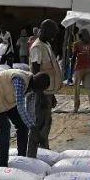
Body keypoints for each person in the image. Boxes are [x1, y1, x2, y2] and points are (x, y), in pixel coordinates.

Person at [0, 66, 51, 166]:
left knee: (22, 126)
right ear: (36, 85)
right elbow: (21, 106)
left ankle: (21, 158)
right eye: (39, 90)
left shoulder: (31, 85)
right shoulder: (20, 81)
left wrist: (32, 126)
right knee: (5, 127)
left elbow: (29, 109)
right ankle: (2, 163)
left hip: (7, 98)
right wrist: (33, 128)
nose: (38, 93)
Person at [27, 19, 63, 155]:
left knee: (46, 121)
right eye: (52, 33)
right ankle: (33, 153)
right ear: (45, 30)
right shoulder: (37, 47)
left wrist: (52, 93)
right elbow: (36, 72)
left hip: (47, 92)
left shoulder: (46, 44)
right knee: (38, 123)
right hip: (40, 93)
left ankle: (43, 150)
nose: (53, 36)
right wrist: (41, 95)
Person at [71, 28, 90, 114]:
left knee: (76, 89)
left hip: (79, 69)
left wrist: (71, 70)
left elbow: (73, 58)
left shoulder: (77, 44)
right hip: (89, 68)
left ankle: (76, 107)